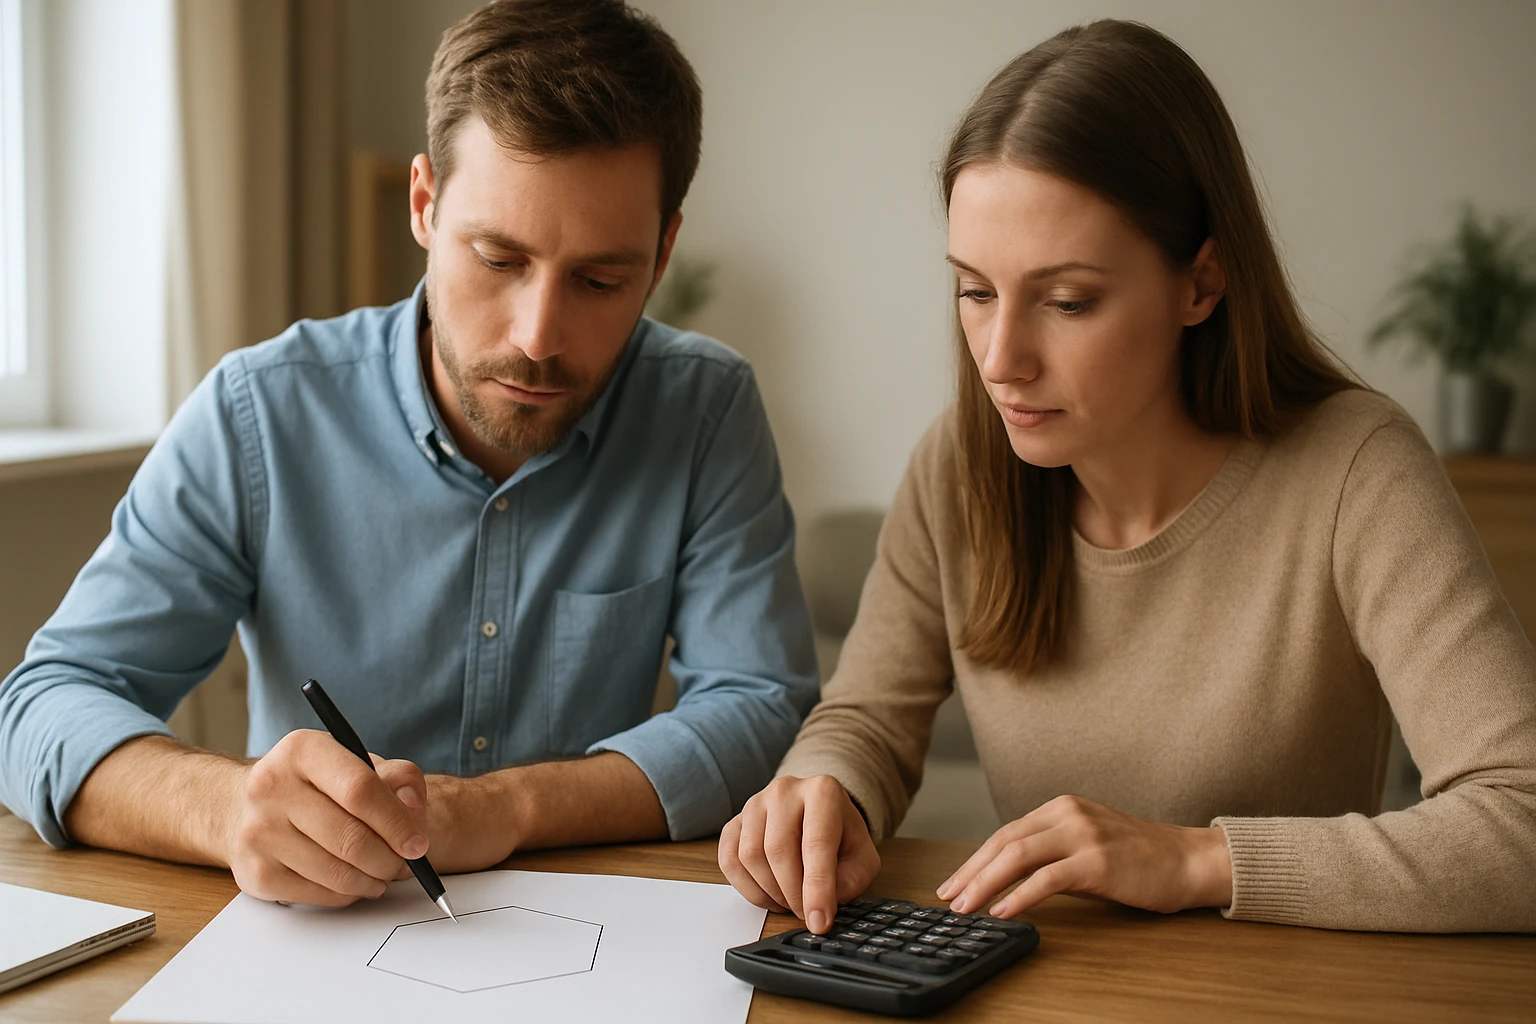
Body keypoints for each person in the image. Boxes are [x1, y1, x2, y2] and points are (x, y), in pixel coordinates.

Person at [718, 19, 1536, 934]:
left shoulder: (1358, 470)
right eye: (976, 290)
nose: (999, 359)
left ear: (1202, 283)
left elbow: (1523, 816)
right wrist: (827, 792)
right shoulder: (958, 466)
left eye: (1067, 301)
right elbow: (866, 717)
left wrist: (1196, 858)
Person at [0, 0, 818, 909]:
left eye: (599, 279)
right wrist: (229, 807)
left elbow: (758, 705)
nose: (538, 336)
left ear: (663, 252)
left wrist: (506, 807)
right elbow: (43, 705)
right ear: (425, 205)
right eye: (499, 259)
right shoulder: (258, 412)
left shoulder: (704, 408)